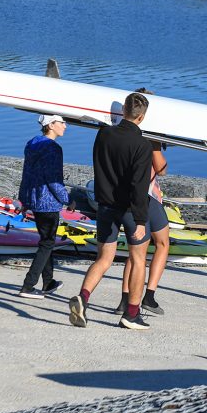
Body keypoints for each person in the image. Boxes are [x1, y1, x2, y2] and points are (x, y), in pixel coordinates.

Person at [69, 92, 154, 330]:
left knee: (104, 258)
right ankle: (132, 314)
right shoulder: (142, 145)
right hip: (129, 209)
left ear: (123, 112)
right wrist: (140, 219)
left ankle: (83, 298)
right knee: (138, 260)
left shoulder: (103, 134)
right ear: (142, 117)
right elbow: (139, 185)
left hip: (105, 206)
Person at [17, 114, 73, 299]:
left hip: (34, 199)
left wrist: (24, 200)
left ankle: (48, 282)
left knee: (45, 242)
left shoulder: (32, 143)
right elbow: (53, 179)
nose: (65, 126)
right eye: (62, 122)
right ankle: (28, 285)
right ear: (51, 125)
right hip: (48, 203)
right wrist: (67, 199)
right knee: (47, 243)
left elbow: (27, 173)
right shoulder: (53, 148)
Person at [116, 137, 170, 316]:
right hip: (147, 197)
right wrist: (157, 146)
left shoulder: (124, 137)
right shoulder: (150, 140)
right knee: (162, 243)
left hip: (125, 196)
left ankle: (125, 300)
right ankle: (149, 296)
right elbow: (161, 169)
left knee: (135, 251)